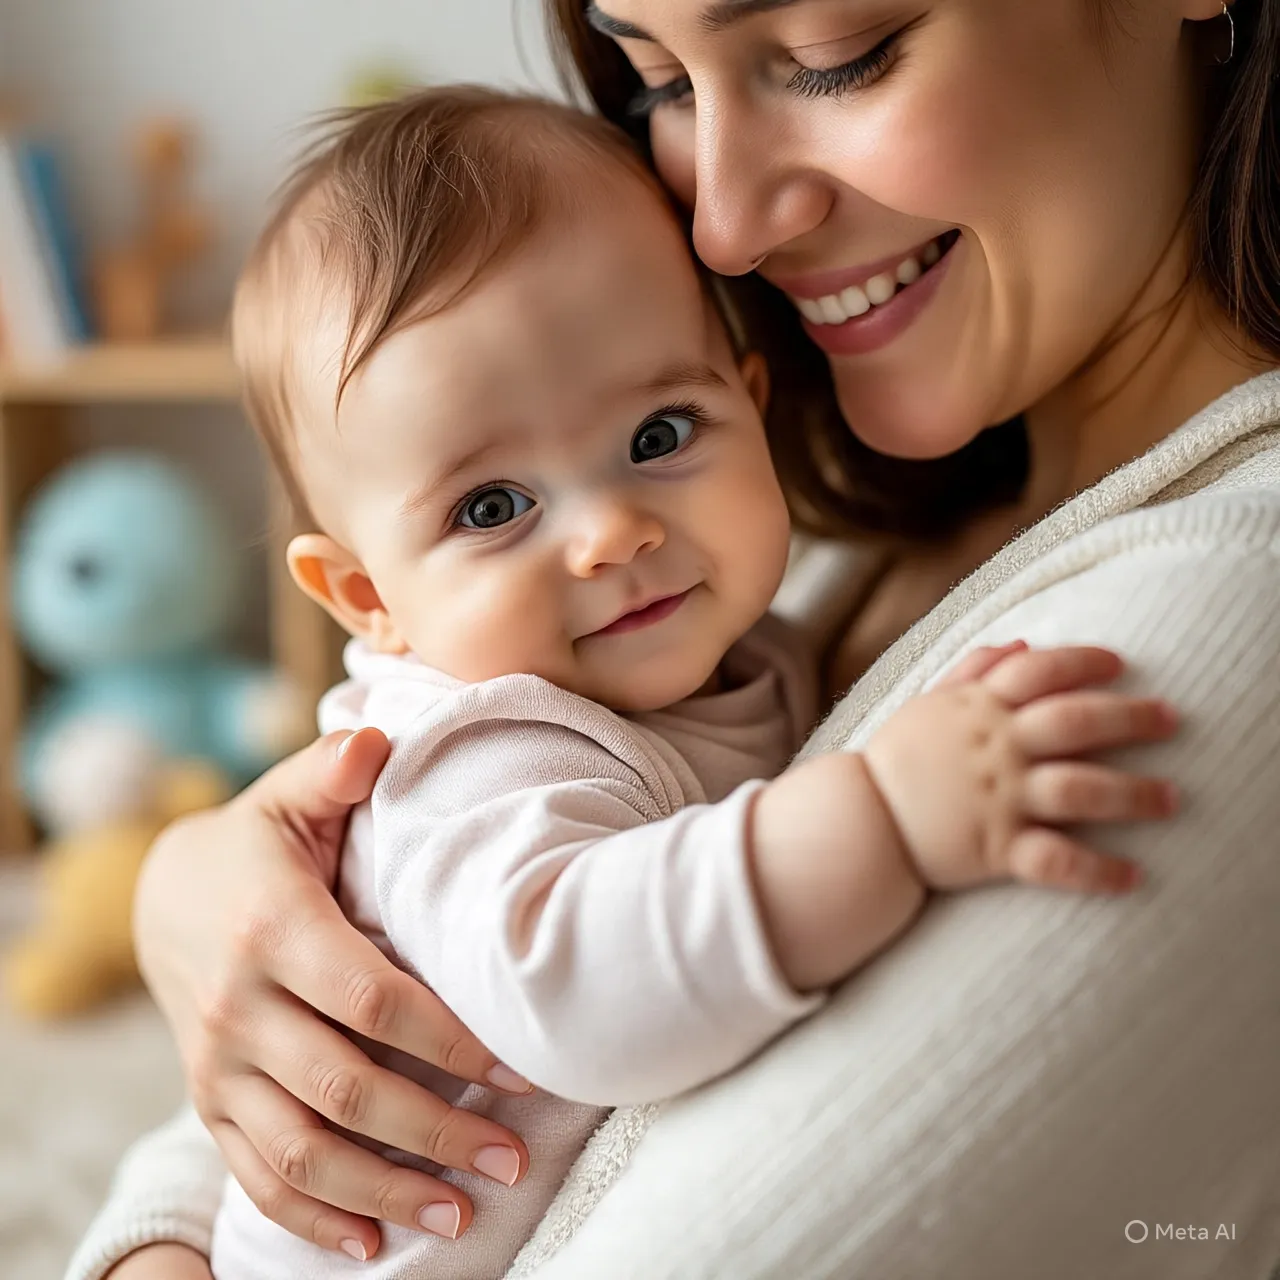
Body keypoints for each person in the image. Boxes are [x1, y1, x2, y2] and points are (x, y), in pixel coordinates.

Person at [71, 1, 1280, 1278]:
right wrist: (194, 912)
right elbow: (469, 1005)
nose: (720, 224)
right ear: (364, 598)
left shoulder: (1214, 594)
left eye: (837, 53)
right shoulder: (735, 567)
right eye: (659, 83)